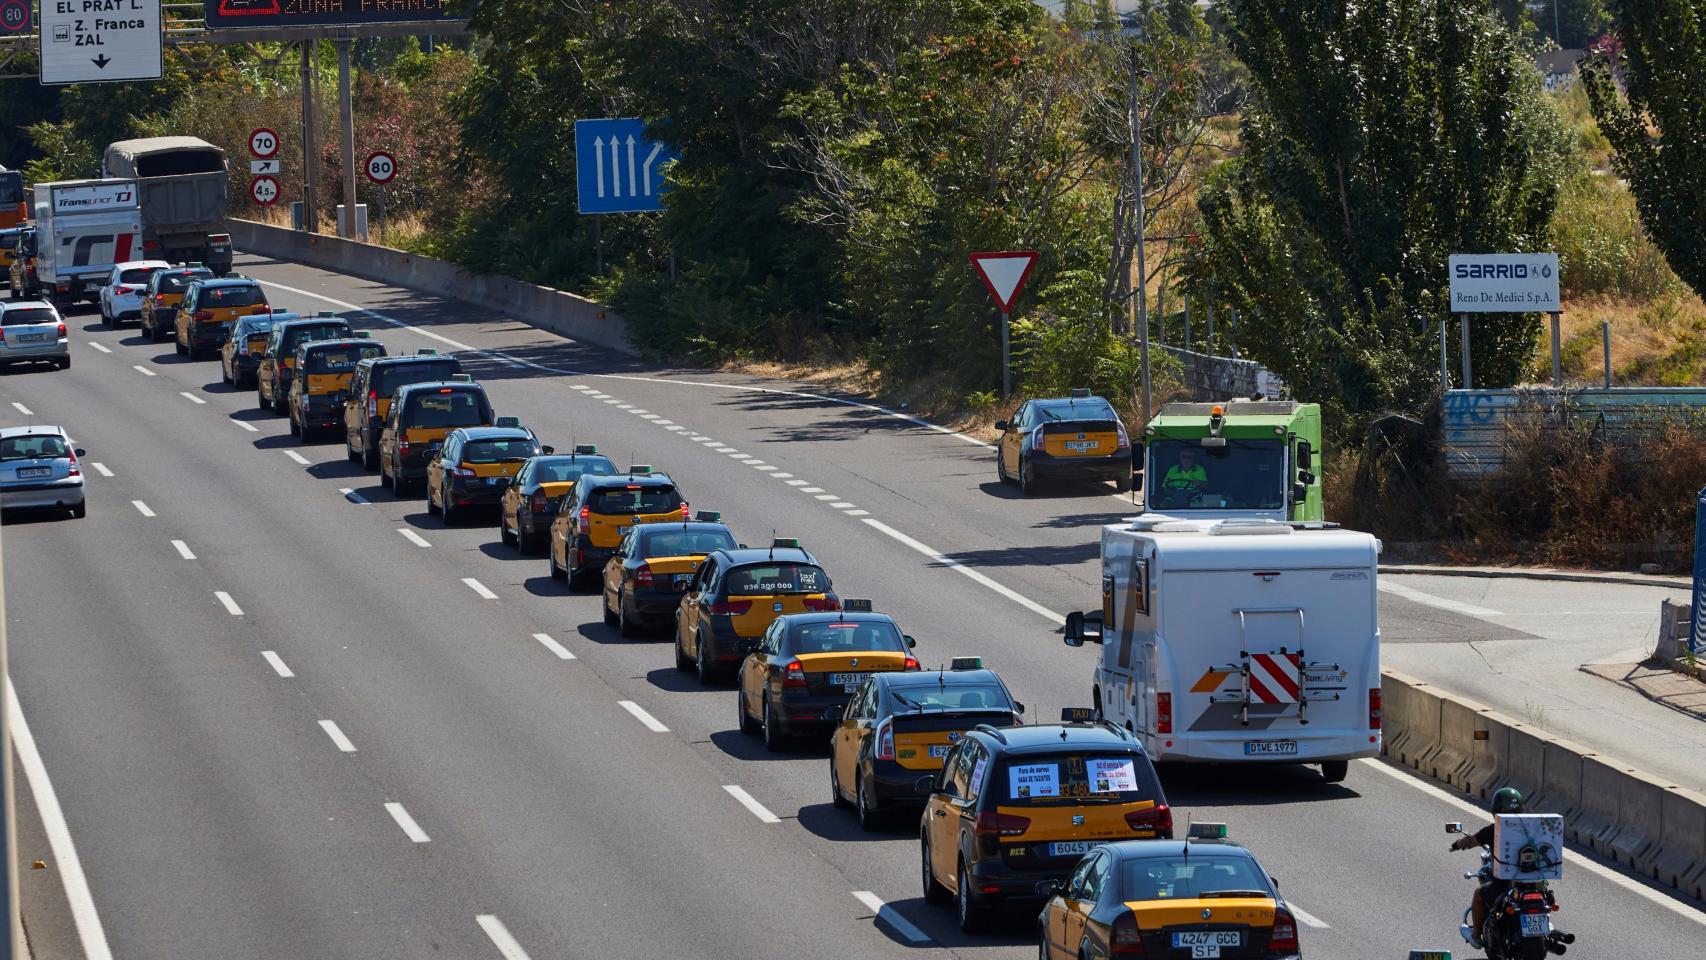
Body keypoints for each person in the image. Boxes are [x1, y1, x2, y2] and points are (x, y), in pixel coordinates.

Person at [1452, 787, 1525, 948]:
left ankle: (1476, 936)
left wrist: (1457, 844)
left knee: (1479, 894)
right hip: (1532, 883)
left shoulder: (1495, 830)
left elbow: (1470, 841)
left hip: (1505, 883)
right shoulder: (1533, 828)